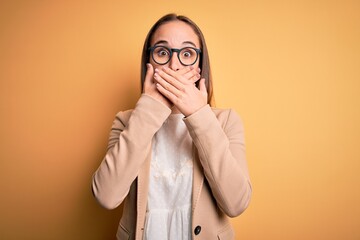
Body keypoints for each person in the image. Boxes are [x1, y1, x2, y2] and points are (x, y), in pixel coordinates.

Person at [92, 13, 252, 240]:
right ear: (149, 62)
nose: (174, 65)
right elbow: (106, 196)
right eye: (162, 52)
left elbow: (236, 203)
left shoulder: (226, 121)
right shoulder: (126, 121)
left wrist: (199, 113)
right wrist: (149, 109)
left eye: (187, 53)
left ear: (200, 64)